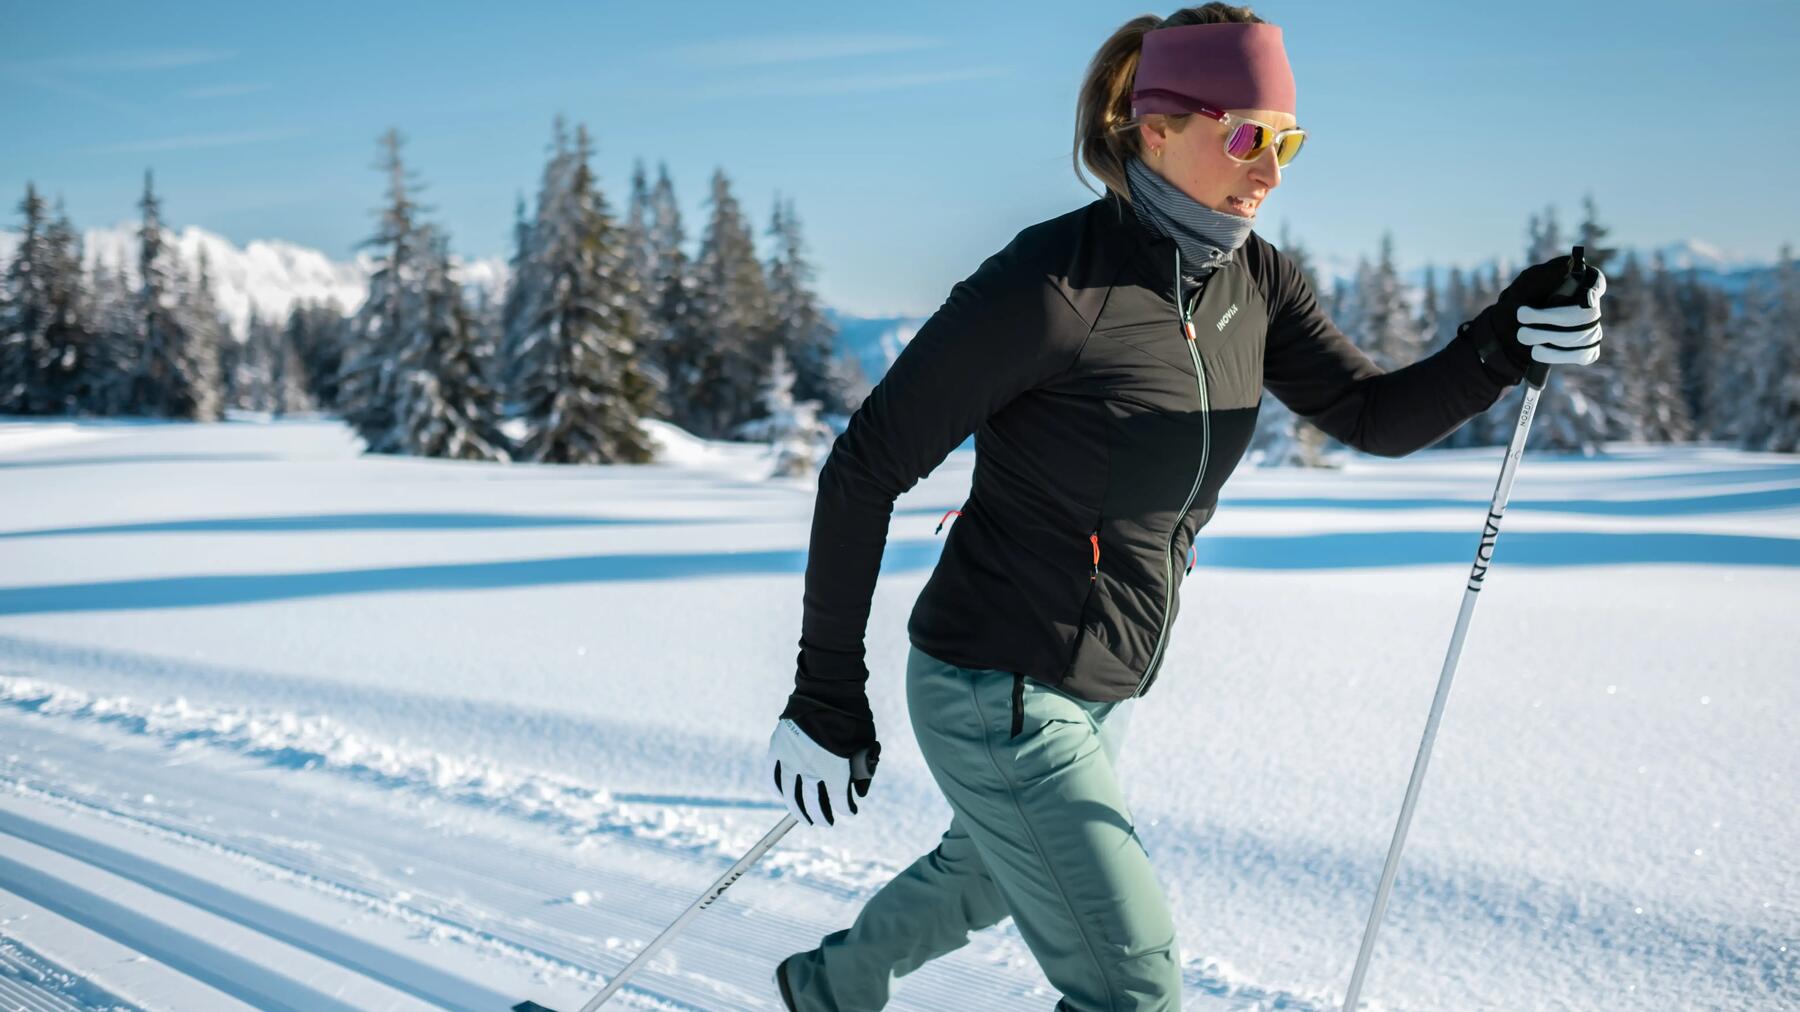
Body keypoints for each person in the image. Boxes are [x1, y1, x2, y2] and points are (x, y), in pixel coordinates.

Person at [763, 5, 1606, 1010]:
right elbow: (862, 467)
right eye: (1246, 135)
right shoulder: (1052, 284)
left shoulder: (1255, 280)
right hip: (998, 686)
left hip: (1099, 679)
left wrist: (1498, 344)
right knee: (1136, 984)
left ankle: (831, 986)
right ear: (1154, 125)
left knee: (989, 871)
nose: (1272, 167)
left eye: (1287, 139)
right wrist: (825, 691)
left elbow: (1371, 414)